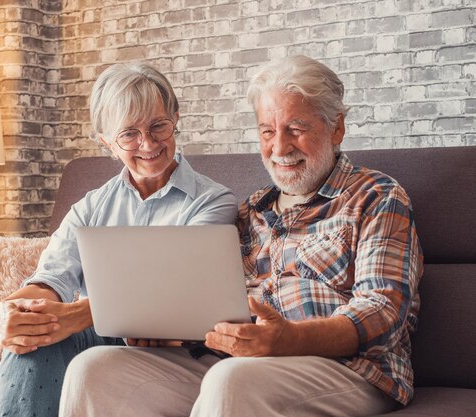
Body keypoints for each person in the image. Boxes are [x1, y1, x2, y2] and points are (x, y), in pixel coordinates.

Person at [58, 55, 423, 417]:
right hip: (244, 362)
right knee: (95, 369)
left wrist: (290, 339)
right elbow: (211, 303)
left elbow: (383, 310)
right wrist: (166, 331)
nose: (279, 148)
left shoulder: (376, 196)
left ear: (336, 127)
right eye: (267, 131)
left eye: (296, 129)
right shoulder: (251, 211)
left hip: (350, 368)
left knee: (231, 379)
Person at [0, 62, 238, 417]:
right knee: (30, 338)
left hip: (178, 349)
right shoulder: (90, 207)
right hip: (100, 340)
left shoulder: (214, 201)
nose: (148, 143)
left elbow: (177, 292)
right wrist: (6, 311)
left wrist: (82, 314)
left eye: (158, 126)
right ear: (106, 142)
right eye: (129, 134)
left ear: (176, 120)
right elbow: (49, 281)